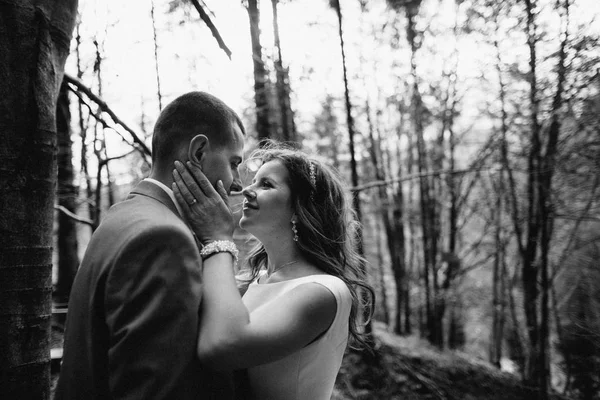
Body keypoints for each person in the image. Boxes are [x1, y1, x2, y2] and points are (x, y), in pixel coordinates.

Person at [55, 91, 246, 400]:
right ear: (198, 152)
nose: (237, 182)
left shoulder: (123, 215)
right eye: (234, 163)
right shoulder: (164, 239)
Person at [172, 143, 375, 400]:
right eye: (254, 181)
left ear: (299, 209)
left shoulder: (323, 292)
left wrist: (218, 238)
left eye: (266, 184)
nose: (247, 190)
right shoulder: (257, 280)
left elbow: (221, 349)